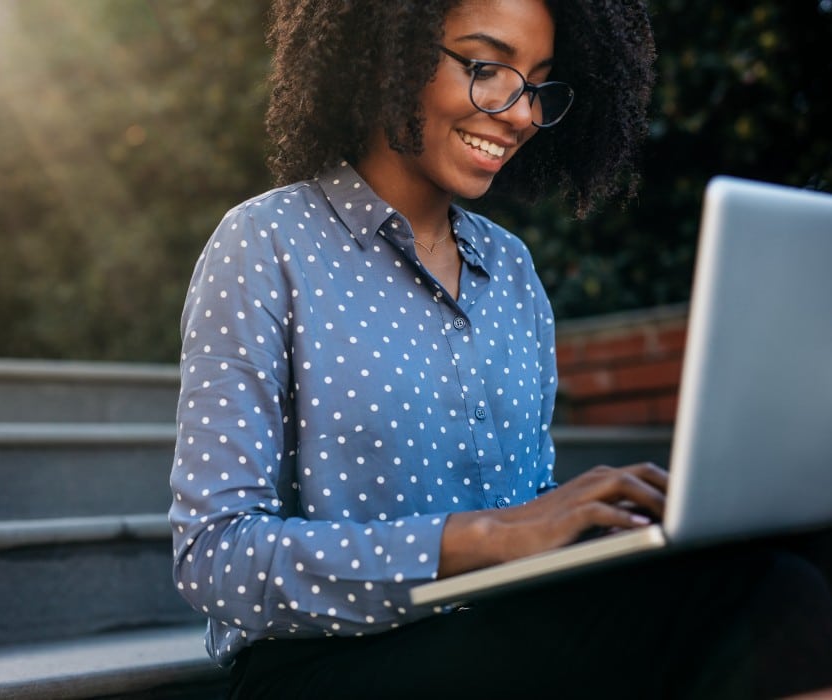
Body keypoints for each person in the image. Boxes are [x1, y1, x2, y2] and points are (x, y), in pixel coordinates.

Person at [169, 1, 832, 697]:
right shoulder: (265, 244)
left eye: (537, 82)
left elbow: (529, 510)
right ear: (386, 54)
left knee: (792, 559)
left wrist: (601, 532)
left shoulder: (510, 269)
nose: (521, 114)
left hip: (498, 634)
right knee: (765, 598)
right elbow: (215, 559)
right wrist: (485, 537)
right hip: (326, 665)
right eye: (487, 67)